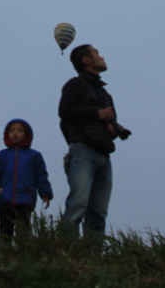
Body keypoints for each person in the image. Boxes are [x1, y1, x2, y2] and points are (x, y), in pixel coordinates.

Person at [58, 44, 130, 238]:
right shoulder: (75, 84)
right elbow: (64, 112)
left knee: (98, 211)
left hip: (104, 155)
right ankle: (66, 249)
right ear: (86, 60)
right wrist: (96, 114)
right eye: (97, 53)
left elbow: (108, 121)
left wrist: (114, 131)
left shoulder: (105, 95)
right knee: (78, 203)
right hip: (83, 150)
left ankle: (92, 256)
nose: (102, 57)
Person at [0, 119, 54, 238]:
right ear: (7, 134)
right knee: (5, 229)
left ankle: (23, 252)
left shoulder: (34, 155)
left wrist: (45, 193)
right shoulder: (1, 155)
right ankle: (5, 253)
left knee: (23, 230)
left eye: (19, 130)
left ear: (27, 135)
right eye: (12, 130)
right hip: (5, 197)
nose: (15, 133)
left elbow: (41, 176)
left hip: (25, 198)